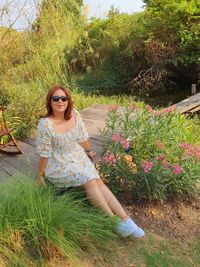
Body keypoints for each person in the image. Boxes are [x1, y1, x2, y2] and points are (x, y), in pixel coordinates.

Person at [36, 84, 145, 238]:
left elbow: (82, 137)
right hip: (58, 163)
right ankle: (113, 221)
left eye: (63, 98)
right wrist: (40, 174)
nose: (60, 101)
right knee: (90, 180)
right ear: (50, 101)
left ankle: (127, 220)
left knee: (97, 180)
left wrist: (88, 151)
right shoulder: (45, 124)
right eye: (56, 98)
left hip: (76, 155)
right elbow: (44, 153)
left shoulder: (74, 114)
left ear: (68, 101)